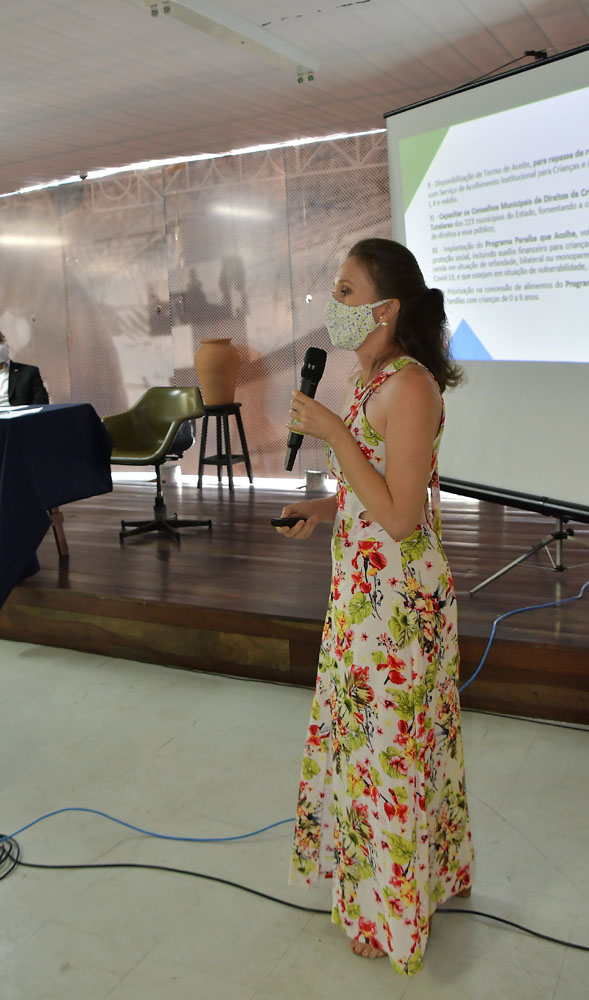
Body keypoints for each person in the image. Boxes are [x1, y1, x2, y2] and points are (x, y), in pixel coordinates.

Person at [281, 238, 473, 975]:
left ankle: (395, 912)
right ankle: (385, 889)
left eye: (346, 289)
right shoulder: (366, 379)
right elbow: (367, 495)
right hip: (360, 596)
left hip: (399, 602)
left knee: (391, 756)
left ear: (387, 310)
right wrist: (322, 510)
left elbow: (400, 516)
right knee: (362, 752)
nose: (335, 303)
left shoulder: (410, 386)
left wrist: (329, 432)